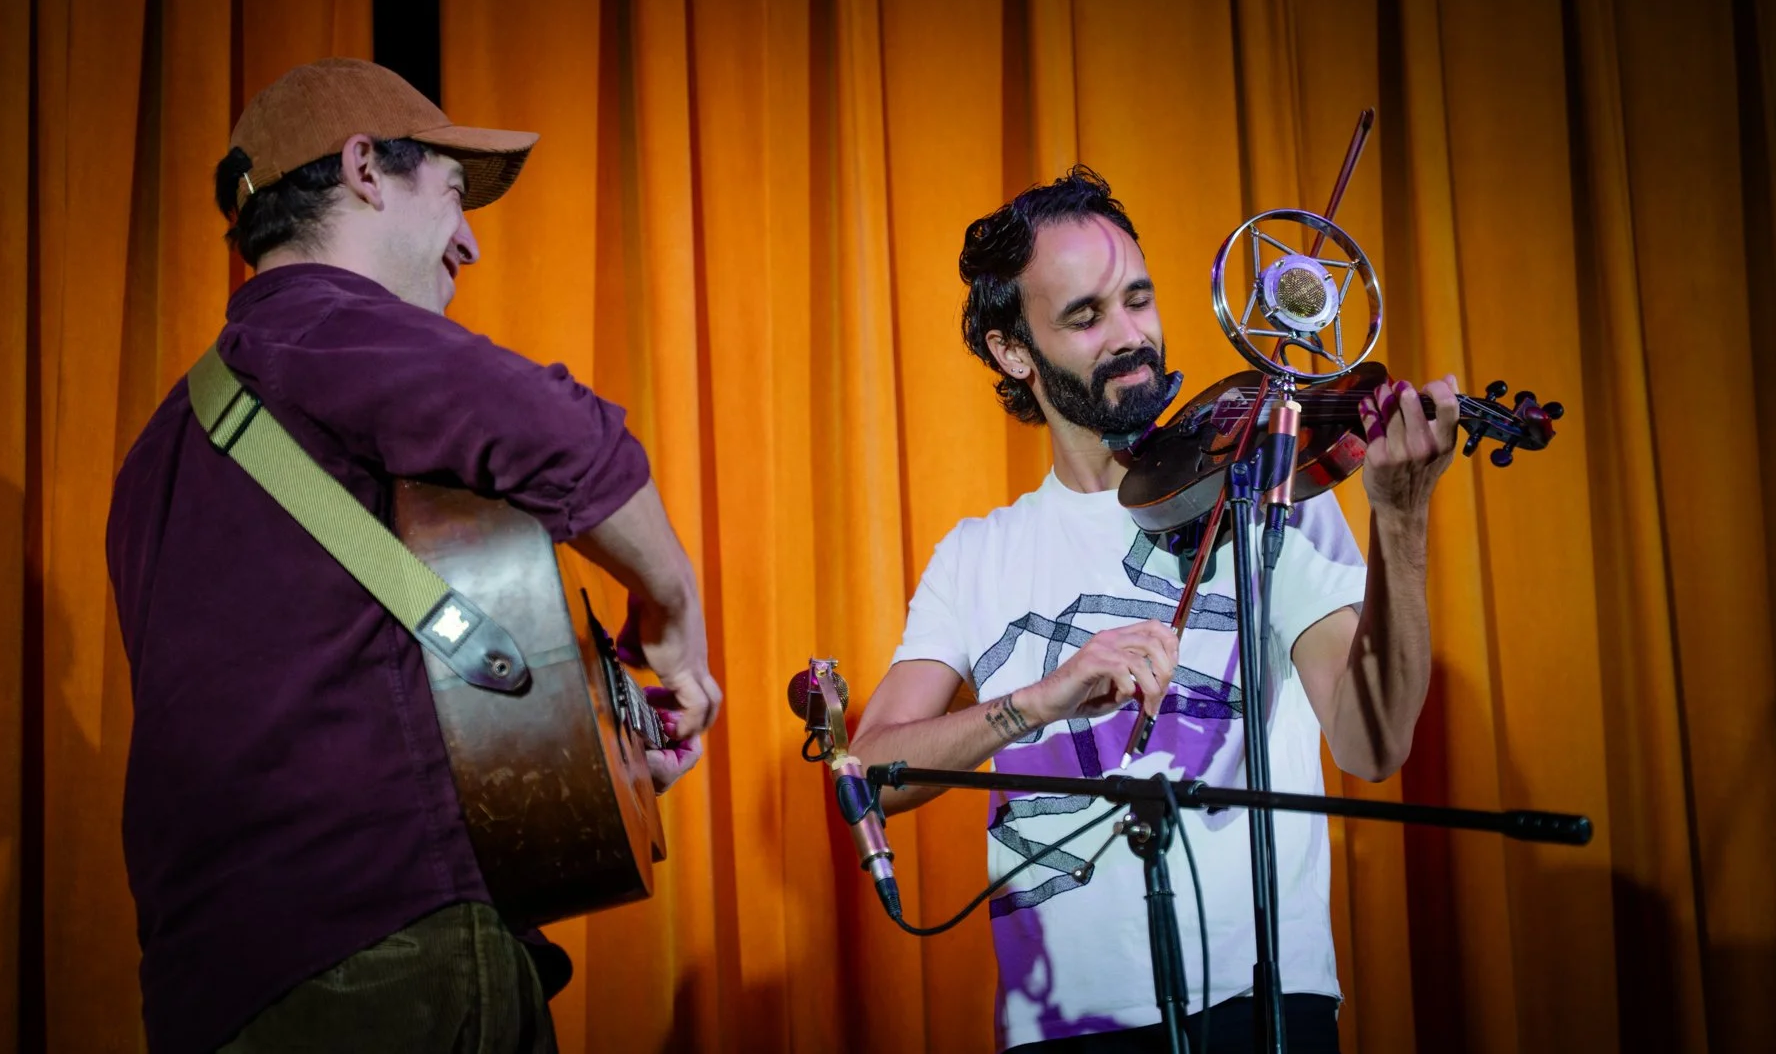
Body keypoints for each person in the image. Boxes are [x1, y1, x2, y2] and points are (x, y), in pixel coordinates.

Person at [105, 58, 721, 1054]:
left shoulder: (151, 466)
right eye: (450, 190)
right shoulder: (325, 327)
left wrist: (585, 751)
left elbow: (322, 696)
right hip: (391, 965)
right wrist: (676, 618)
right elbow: (579, 442)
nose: (470, 238)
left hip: (213, 992)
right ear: (362, 168)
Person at [850, 166, 1457, 1053]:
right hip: (1064, 1027)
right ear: (1014, 350)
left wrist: (1402, 522)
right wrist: (1045, 698)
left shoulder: (1270, 485)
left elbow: (1374, 744)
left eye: (1139, 298)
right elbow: (868, 770)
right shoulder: (977, 554)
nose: (1132, 336)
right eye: (1086, 316)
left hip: (1262, 1005)